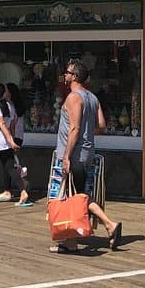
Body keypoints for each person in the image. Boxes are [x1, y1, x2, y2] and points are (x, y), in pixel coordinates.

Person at [50, 59, 122, 253]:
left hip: (75, 154)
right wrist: (87, 134)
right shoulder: (92, 98)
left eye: (67, 72)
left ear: (74, 76)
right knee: (77, 195)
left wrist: (66, 155)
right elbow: (101, 125)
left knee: (76, 197)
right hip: (87, 152)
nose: (65, 75)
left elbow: (74, 128)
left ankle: (108, 225)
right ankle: (72, 240)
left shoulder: (74, 98)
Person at [4, 81, 31, 207]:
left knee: (11, 164)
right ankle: (11, 188)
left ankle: (21, 186)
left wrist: (11, 139)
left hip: (14, 137)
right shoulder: (18, 105)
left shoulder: (11, 106)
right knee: (13, 163)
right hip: (19, 137)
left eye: (6, 90)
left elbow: (12, 125)